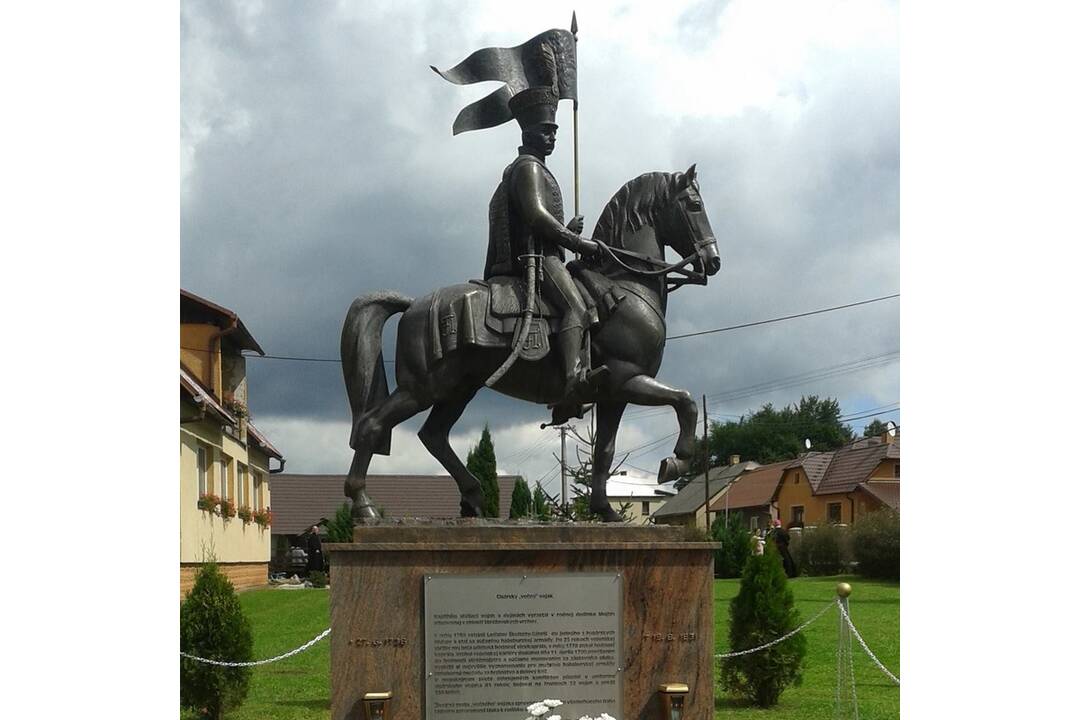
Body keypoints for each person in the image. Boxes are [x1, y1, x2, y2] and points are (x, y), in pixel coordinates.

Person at [485, 86, 603, 406]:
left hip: (544, 252)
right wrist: (577, 241)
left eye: (555, 132)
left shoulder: (531, 167)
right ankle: (572, 381)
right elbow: (536, 216)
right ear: (529, 133)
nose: (553, 138)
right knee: (576, 307)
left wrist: (565, 229)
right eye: (546, 131)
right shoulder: (528, 167)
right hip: (538, 259)